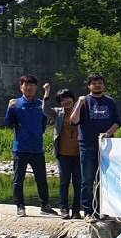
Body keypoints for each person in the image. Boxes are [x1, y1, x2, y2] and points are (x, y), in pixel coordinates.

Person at [70, 72, 121, 223]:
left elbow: (117, 122)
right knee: (87, 180)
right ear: (89, 86)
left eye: (100, 82)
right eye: (94, 83)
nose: (97, 85)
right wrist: (79, 104)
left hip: (106, 147)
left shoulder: (110, 102)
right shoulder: (84, 101)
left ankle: (102, 210)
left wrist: (108, 133)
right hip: (87, 145)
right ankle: (88, 211)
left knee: (104, 180)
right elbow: (74, 121)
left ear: (104, 85)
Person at [5, 74, 57, 218]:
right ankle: (20, 206)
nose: (28, 88)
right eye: (25, 85)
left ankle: (45, 205)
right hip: (20, 148)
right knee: (18, 179)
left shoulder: (40, 104)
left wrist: (38, 134)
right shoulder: (16, 104)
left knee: (41, 178)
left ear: (35, 88)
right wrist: (9, 109)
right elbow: (8, 123)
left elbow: (43, 123)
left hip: (37, 148)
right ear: (21, 87)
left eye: (31, 85)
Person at [43, 83, 82, 220]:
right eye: (62, 100)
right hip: (63, 154)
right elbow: (45, 110)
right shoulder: (58, 113)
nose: (66, 101)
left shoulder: (80, 110)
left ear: (73, 98)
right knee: (64, 182)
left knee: (78, 182)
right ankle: (64, 208)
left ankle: (76, 209)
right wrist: (47, 93)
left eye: (68, 98)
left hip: (79, 153)